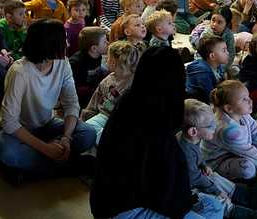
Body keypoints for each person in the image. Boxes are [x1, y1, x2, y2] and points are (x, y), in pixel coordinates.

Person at [91, 47, 225, 219]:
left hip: (116, 201)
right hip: (125, 208)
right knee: (212, 209)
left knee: (213, 206)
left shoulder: (133, 99)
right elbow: (160, 185)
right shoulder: (152, 118)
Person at [0, 19, 97, 175]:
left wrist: (66, 138)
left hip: (47, 125)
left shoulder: (62, 63)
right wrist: (46, 148)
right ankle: (70, 165)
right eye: (63, 40)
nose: (67, 44)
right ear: (49, 45)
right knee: (8, 152)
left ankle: (33, 171)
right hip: (20, 131)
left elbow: (72, 104)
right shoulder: (20, 72)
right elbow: (9, 122)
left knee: (88, 133)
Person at [179, 100, 257, 219]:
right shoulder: (184, 151)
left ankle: (243, 195)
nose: (215, 126)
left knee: (212, 176)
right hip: (187, 188)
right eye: (211, 125)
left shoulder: (192, 139)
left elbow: (198, 157)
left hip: (194, 176)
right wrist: (216, 191)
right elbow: (195, 179)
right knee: (210, 197)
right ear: (193, 131)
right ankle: (235, 212)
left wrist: (203, 165)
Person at [202, 80, 257, 196]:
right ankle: (246, 186)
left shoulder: (242, 114)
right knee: (248, 168)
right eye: (244, 99)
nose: (250, 100)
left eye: (248, 97)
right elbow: (251, 153)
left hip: (238, 152)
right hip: (218, 162)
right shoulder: (228, 130)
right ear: (229, 108)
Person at [82, 41, 140, 145]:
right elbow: (94, 102)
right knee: (87, 128)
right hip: (105, 116)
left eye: (108, 58)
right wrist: (86, 115)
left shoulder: (136, 81)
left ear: (113, 61)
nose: (106, 61)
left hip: (126, 121)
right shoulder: (108, 80)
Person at [69, 27, 109, 107]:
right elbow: (75, 89)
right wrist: (99, 89)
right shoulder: (76, 63)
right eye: (104, 42)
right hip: (81, 101)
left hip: (94, 91)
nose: (108, 43)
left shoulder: (98, 55)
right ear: (94, 48)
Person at [186, 36, 229, 103]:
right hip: (193, 105)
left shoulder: (218, 65)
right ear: (212, 56)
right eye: (224, 50)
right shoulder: (202, 72)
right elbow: (210, 98)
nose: (228, 53)